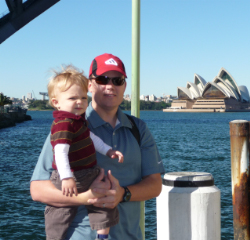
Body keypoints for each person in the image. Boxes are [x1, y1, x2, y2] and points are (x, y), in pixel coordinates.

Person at [30, 53, 165, 240]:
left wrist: (123, 194)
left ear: (124, 86)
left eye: (117, 80)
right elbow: (37, 189)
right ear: (90, 85)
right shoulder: (69, 126)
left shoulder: (138, 129)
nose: (110, 86)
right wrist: (86, 198)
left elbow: (155, 185)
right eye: (102, 79)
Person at [45, 65, 124, 240]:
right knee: (61, 211)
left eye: (83, 97)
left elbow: (91, 138)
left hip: (87, 173)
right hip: (70, 176)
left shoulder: (77, 121)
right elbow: (60, 153)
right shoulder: (63, 123)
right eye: (73, 98)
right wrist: (66, 177)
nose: (80, 102)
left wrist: (108, 150)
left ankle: (102, 235)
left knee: (103, 199)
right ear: (56, 102)